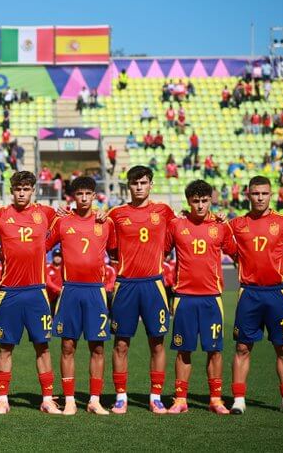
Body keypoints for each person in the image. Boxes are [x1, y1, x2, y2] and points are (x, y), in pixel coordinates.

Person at [227, 176, 283, 415]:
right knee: (243, 347)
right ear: (248, 195)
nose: (260, 198)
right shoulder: (236, 224)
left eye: (264, 193)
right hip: (249, 293)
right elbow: (215, 234)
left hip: (277, 293)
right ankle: (239, 400)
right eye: (256, 193)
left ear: (271, 195)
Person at [0, 171, 61, 414]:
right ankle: (2, 399)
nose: (22, 193)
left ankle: (47, 399)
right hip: (10, 292)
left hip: (37, 291)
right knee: (6, 347)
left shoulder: (47, 213)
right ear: (12, 190)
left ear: (33, 190)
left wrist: (99, 214)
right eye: (18, 189)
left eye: (26, 189)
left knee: (42, 346)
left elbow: (72, 220)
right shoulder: (0, 215)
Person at [163, 180, 237, 415]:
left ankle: (215, 399)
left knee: (214, 350)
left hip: (211, 298)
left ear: (210, 200)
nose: (200, 205)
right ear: (188, 201)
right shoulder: (176, 225)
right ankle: (180, 399)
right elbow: (161, 251)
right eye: (195, 201)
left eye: (205, 200)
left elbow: (236, 253)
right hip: (184, 297)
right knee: (183, 350)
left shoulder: (220, 226)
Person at [107, 165, 177, 414]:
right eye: (135, 183)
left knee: (157, 343)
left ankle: (156, 396)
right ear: (128, 186)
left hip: (153, 285)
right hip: (125, 285)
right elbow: (111, 249)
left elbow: (176, 235)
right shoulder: (116, 214)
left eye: (143, 183)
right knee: (121, 344)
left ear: (151, 185)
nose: (139, 187)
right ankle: (121, 397)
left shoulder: (164, 211)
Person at [46, 176, 116, 416]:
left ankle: (95, 400)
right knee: (68, 346)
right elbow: (42, 245)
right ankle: (69, 400)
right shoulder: (63, 221)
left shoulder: (105, 222)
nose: (84, 198)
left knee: (98, 347)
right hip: (70, 290)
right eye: (79, 194)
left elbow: (115, 252)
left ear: (94, 196)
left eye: (88, 194)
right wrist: (52, 215)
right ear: (73, 197)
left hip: (96, 291)